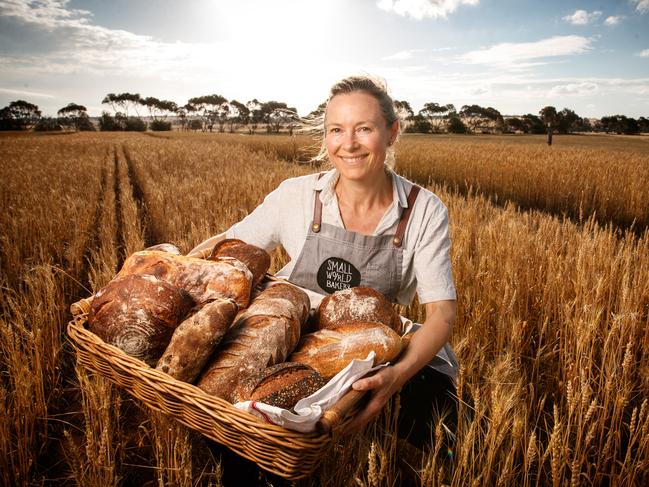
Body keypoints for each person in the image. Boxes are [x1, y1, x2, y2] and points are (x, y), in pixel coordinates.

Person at [189, 75, 459, 480]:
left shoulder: (423, 210)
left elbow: (441, 313)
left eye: (363, 129)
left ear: (391, 133)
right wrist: (178, 267)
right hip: (288, 337)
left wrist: (394, 378)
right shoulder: (295, 195)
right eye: (336, 130)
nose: (348, 144)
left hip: (369, 347)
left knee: (444, 414)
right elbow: (229, 245)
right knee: (239, 418)